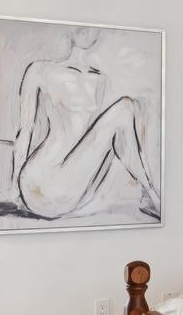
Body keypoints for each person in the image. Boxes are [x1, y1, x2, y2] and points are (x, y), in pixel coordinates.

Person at [9, 27, 160, 221]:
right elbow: (25, 130)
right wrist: (15, 189)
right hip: (38, 181)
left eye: (91, 28)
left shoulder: (100, 80)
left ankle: (148, 193)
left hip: (70, 185)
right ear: (68, 31)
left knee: (124, 110)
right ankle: (150, 193)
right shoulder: (39, 70)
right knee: (125, 108)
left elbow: (96, 145)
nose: (86, 31)